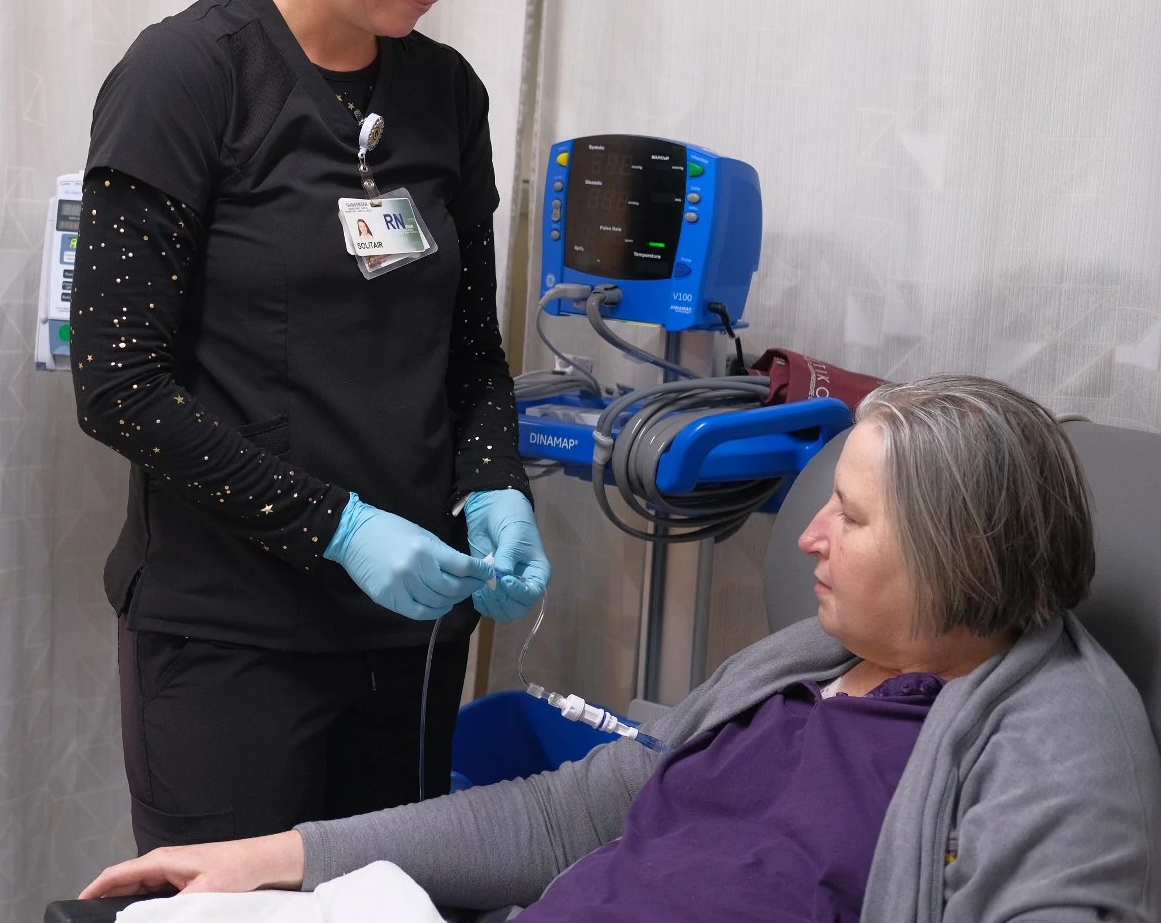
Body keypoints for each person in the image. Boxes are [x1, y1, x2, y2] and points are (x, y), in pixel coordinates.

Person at [80, 376, 1161, 921]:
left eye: (854, 516)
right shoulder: (804, 662)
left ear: (956, 552)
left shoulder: (1060, 736)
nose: (811, 537)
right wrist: (276, 856)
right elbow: (571, 814)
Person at [71, 0, 551, 856]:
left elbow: (469, 349)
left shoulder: (445, 95)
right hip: (232, 638)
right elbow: (120, 385)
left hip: (413, 625)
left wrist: (494, 480)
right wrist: (340, 527)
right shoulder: (188, 77)